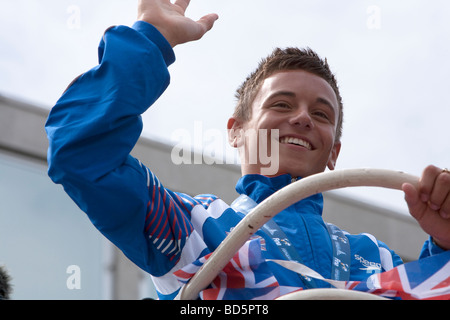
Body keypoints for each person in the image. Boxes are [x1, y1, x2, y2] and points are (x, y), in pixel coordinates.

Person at [45, 0, 450, 300]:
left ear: (334, 152)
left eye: (321, 114)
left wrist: (446, 243)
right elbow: (81, 152)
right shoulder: (198, 230)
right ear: (236, 131)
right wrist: (150, 38)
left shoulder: (379, 259)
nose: (303, 118)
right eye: (282, 104)